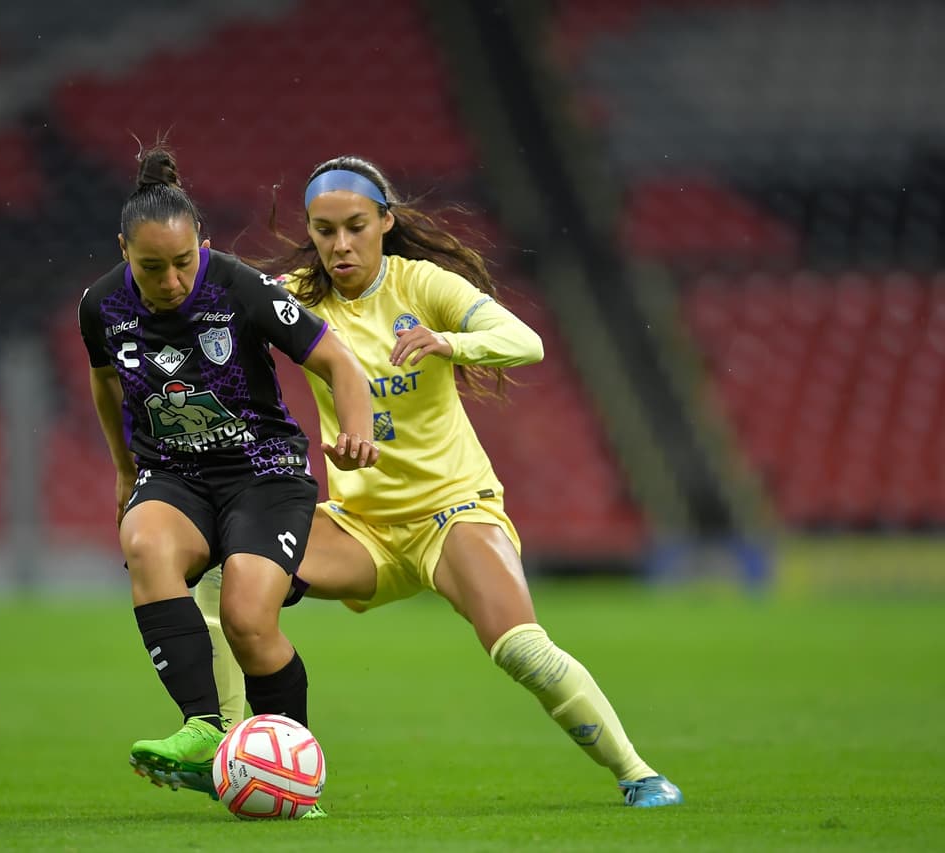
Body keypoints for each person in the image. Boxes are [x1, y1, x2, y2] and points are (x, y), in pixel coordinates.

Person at [148, 155, 684, 809]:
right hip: (361, 529)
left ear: (385, 221)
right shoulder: (293, 296)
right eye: (324, 230)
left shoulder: (422, 285)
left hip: (452, 512)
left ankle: (638, 773)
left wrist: (450, 343)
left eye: (355, 226)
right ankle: (225, 745)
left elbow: (525, 341)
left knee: (520, 648)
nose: (340, 245)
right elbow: (197, 298)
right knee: (224, 575)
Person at [80, 146, 379, 817]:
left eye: (184, 262)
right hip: (175, 474)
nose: (171, 280)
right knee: (144, 542)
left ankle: (293, 774)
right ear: (124, 252)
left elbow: (338, 359)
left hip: (263, 472)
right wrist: (125, 470)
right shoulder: (99, 306)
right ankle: (205, 728)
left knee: (247, 618)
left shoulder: (240, 286)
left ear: (203, 246)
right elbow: (105, 385)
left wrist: (358, 430)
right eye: (152, 266)